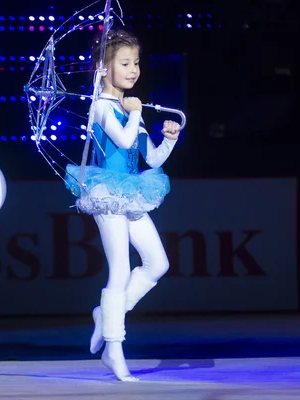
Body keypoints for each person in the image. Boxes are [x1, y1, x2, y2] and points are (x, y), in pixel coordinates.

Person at [65, 30, 181, 382]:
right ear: (104, 68)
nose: (133, 70)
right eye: (125, 63)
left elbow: (151, 157)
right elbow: (124, 139)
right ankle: (114, 348)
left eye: (137, 63)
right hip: (106, 193)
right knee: (119, 271)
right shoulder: (101, 106)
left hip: (131, 192)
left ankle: (106, 313)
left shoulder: (129, 107)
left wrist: (170, 139)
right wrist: (133, 114)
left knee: (158, 264)